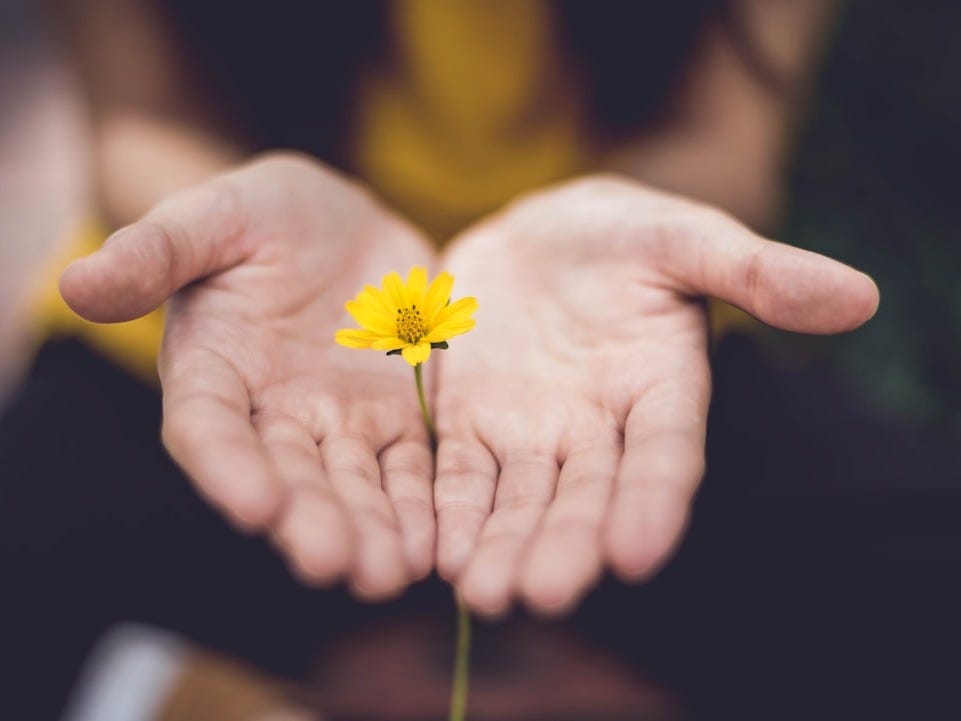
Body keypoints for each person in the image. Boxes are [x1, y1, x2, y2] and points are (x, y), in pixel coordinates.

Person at [2, 1, 956, 718]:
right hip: (241, 339)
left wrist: (615, 226)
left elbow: (722, 142)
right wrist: (228, 220)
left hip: (600, 349)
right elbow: (142, 116)